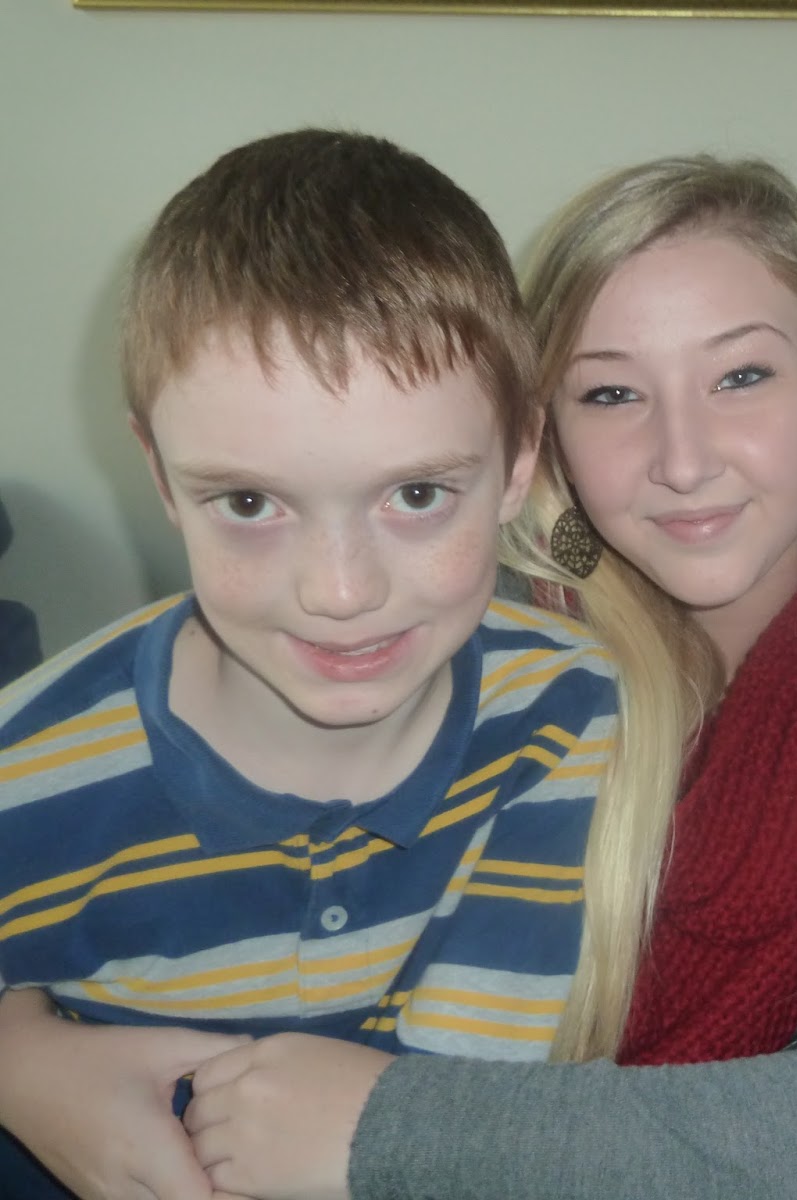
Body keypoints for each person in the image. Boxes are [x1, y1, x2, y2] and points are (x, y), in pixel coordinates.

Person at [1, 155, 797, 1199]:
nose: (685, 460)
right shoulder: (440, 623)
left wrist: (395, 1131)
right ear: (542, 436)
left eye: (741, 376)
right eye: (610, 392)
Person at [0, 129, 617, 1198]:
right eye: (249, 503)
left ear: (519, 458)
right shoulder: (30, 775)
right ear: (160, 474)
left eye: (416, 494)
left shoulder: (585, 721)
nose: (339, 591)